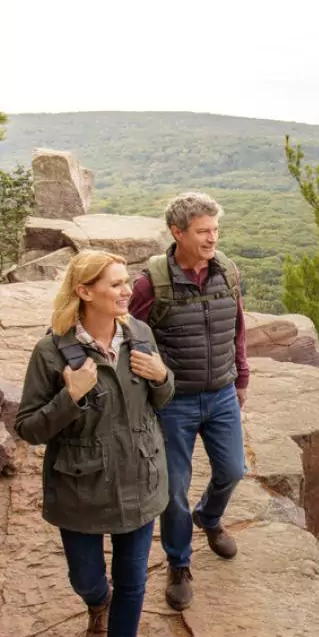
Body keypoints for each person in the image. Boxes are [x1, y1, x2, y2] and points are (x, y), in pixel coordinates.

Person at [15, 250, 173, 637]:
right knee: (85, 577)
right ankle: (97, 602)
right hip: (81, 486)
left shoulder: (139, 332)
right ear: (84, 291)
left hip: (141, 478)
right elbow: (28, 428)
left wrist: (163, 377)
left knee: (133, 581)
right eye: (116, 284)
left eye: (127, 281)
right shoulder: (51, 352)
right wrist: (70, 396)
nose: (127, 291)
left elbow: (161, 398)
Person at [128, 192, 250, 611]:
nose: (212, 238)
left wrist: (242, 377)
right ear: (178, 233)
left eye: (215, 229)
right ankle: (179, 562)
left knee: (233, 469)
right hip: (173, 402)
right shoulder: (151, 283)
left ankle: (210, 518)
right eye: (203, 231)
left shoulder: (228, 272)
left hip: (221, 395)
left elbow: (237, 328)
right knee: (173, 489)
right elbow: (132, 340)